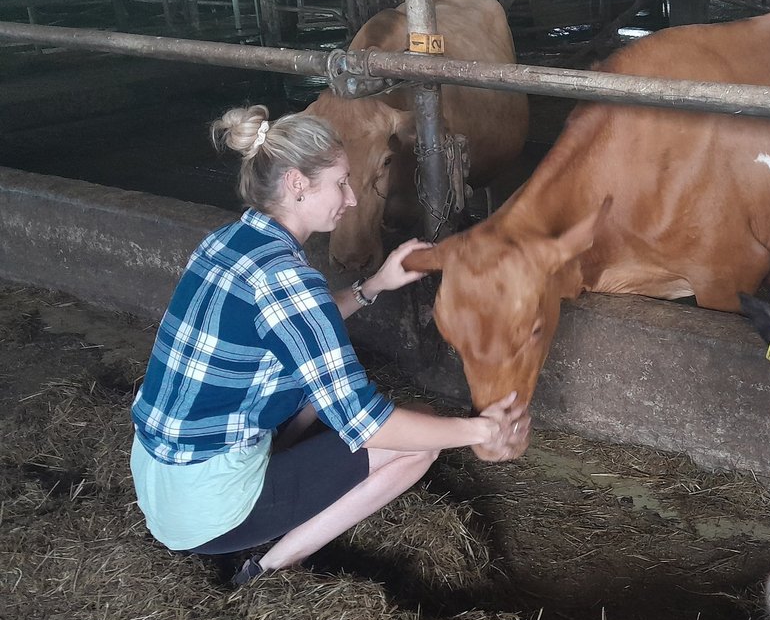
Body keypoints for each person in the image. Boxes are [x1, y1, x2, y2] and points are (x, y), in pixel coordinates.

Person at [129, 104, 528, 586]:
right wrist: (479, 432)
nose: (352, 199)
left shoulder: (226, 242)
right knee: (416, 443)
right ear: (297, 184)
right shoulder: (288, 279)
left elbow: (295, 324)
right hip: (208, 509)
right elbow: (367, 425)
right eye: (341, 182)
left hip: (160, 476)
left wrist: (373, 285)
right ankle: (268, 567)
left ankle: (270, 497)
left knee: (322, 378)